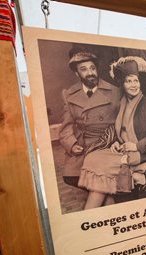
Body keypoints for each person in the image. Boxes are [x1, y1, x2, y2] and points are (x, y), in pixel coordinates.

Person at [78, 57, 146, 208]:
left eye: (135, 81)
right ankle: (108, 210)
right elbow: (122, 129)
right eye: (128, 81)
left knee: (101, 167)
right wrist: (116, 142)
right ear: (123, 84)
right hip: (123, 150)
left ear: (140, 82)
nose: (133, 85)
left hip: (142, 153)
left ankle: (91, 213)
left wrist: (137, 145)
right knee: (92, 158)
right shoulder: (123, 103)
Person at [59, 48, 121, 188]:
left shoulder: (114, 91)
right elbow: (66, 126)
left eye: (92, 68)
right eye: (84, 69)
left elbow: (123, 121)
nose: (90, 73)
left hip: (108, 143)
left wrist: (117, 141)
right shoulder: (69, 94)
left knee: (97, 179)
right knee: (71, 177)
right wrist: (72, 144)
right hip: (83, 146)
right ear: (77, 73)